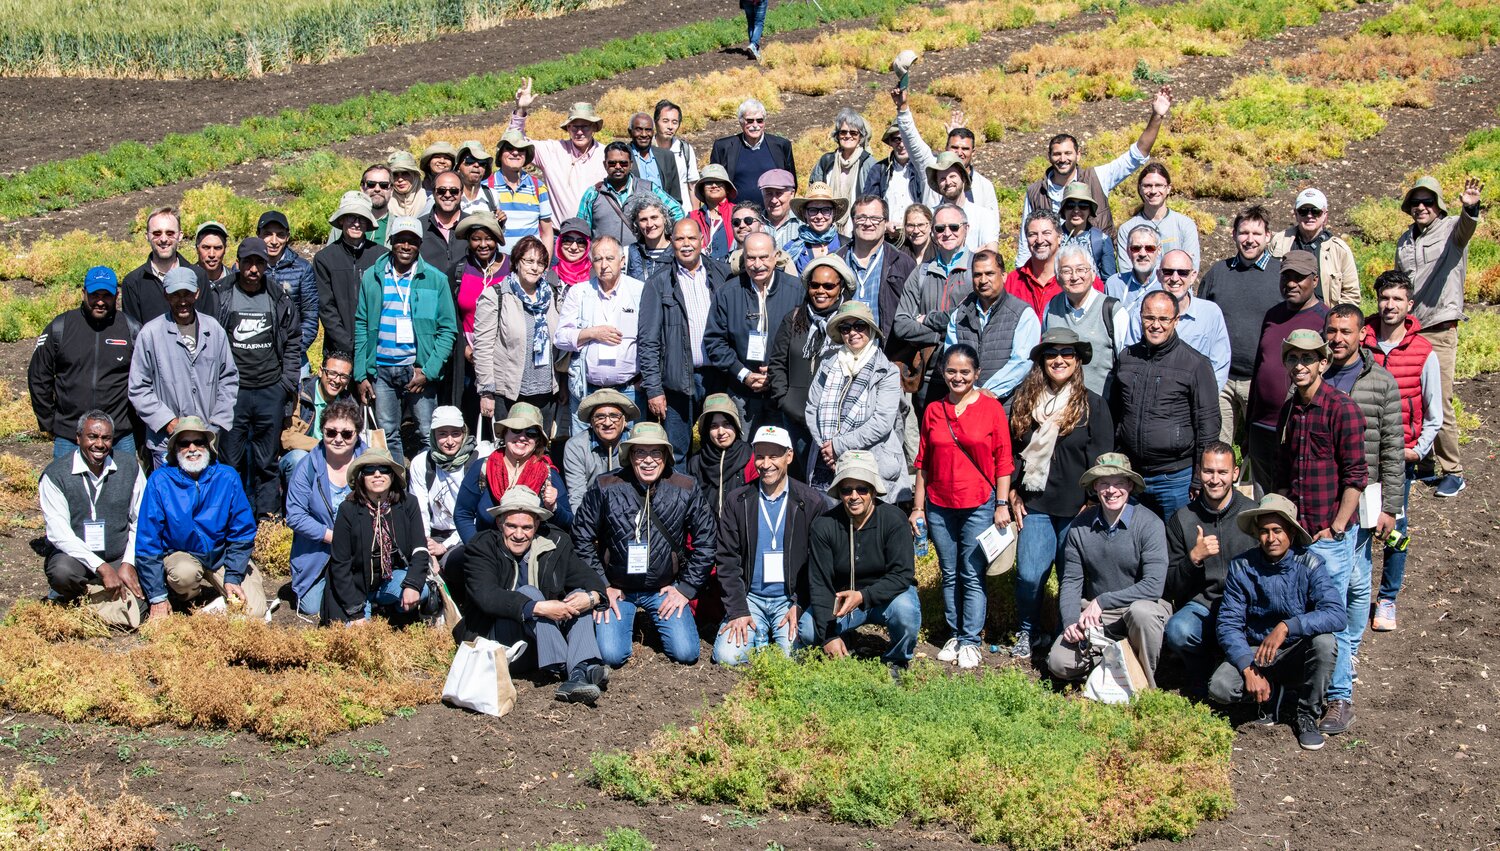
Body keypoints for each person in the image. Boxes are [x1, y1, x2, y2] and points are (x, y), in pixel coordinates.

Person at [1275, 328, 1367, 737]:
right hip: (1299, 533)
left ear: (1323, 363)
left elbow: (1356, 476)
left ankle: (1340, 698)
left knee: (1335, 619)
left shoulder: (1341, 409)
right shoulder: (1289, 409)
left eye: (1308, 358)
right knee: (1304, 615)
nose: (1300, 365)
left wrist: (1337, 526)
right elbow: (1283, 474)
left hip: (1328, 535)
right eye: (1293, 358)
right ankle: (1307, 690)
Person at [1319, 304, 1404, 735]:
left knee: (1357, 579)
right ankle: (1340, 655)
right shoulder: (1315, 375)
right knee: (1338, 580)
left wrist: (1391, 505)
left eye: (1345, 331)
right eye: (1331, 331)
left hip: (1366, 496)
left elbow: (1391, 445)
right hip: (1326, 495)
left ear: (1361, 335)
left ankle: (1348, 650)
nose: (1337, 338)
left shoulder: (1380, 381)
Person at [1007, 328, 1114, 658]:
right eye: (1051, 354)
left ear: (1078, 360)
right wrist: (1011, 491)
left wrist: (1093, 502)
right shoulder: (1025, 402)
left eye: (1067, 354)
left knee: (1071, 577)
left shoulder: (1093, 406)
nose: (1059, 359)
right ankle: (1028, 630)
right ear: (1041, 361)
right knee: (1028, 575)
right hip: (1035, 504)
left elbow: (1103, 458)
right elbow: (1011, 452)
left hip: (1078, 510)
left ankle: (1063, 633)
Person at [575, 422, 716, 667]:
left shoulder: (686, 488)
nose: (648, 460)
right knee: (611, 656)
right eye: (641, 452)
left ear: (666, 456)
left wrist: (685, 588)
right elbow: (581, 537)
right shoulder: (605, 486)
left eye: (656, 453)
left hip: (663, 588)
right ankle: (627, 619)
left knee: (686, 653)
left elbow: (707, 541)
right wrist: (601, 584)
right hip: (618, 588)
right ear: (630, 455)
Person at [1211, 494, 1344, 751]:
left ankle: (1306, 713)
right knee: (1221, 688)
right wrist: (1248, 669)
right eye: (1264, 532)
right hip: (1256, 652)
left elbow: (1336, 613)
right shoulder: (1243, 567)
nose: (1271, 539)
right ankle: (1266, 697)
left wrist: (1287, 626)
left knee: (1325, 642)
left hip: (1295, 651)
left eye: (1277, 531)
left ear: (1291, 534)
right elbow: (1228, 623)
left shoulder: (1310, 563)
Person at [458, 486, 611, 704]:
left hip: (542, 641)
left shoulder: (556, 542)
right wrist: (538, 607)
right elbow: (486, 596)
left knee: (578, 595)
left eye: (526, 527)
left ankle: (576, 675)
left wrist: (591, 598)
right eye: (511, 526)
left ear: (537, 525)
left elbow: (590, 578)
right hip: (502, 643)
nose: (518, 535)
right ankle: (580, 667)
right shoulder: (481, 546)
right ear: (500, 522)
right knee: (529, 592)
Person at [912, 344, 1014, 668]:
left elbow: (1004, 462)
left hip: (978, 504)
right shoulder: (933, 410)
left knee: (971, 573)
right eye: (952, 371)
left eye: (965, 372)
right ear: (943, 373)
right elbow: (922, 463)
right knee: (949, 572)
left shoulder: (991, 409)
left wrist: (1001, 503)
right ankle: (955, 634)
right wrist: (918, 507)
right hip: (940, 504)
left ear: (977, 374)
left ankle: (971, 638)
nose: (958, 377)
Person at [1047, 453, 1172, 687]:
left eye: (1119, 483)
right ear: (1095, 487)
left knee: (1142, 614)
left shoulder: (1150, 524)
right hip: (1099, 616)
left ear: (1130, 486)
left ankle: (1143, 684)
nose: (1111, 490)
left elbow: (1154, 585)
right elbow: (1071, 581)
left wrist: (1104, 600)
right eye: (1104, 483)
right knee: (1058, 663)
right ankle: (1109, 667)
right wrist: (1071, 622)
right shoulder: (1080, 527)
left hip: (1141, 608)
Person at [1362, 270, 1442, 631]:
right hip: (1360, 452)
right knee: (1356, 522)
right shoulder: (1359, 339)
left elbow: (1434, 411)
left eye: (1397, 299)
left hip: (1400, 456)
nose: (1389, 305)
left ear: (1409, 305)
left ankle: (1388, 598)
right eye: (1384, 298)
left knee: (1396, 526)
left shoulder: (1423, 351)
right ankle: (1357, 591)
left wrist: (1418, 450)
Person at [1396, 175, 1483, 498]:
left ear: (1439, 205)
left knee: (1440, 398)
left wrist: (1471, 208)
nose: (1421, 207)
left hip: (1441, 327)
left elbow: (1467, 227)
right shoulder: (1405, 240)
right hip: (1412, 328)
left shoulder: (1450, 230)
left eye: (1428, 201)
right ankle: (1425, 461)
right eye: (1416, 202)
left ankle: (1454, 470)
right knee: (1414, 397)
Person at [712, 425, 828, 665]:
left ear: (789, 456)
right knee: (727, 657)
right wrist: (738, 610)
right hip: (750, 598)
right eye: (760, 456)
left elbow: (818, 562)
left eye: (773, 456)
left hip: (789, 600)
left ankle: (765, 639)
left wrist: (800, 603)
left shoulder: (811, 502)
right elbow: (727, 559)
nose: (766, 464)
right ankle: (760, 636)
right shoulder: (738, 501)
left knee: (791, 658)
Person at [1018, 88, 1173, 263]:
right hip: (1052, 272)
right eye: (1057, 154)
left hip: (1097, 271)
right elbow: (1025, 242)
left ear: (1078, 155)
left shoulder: (1098, 177)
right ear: (1049, 156)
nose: (1063, 159)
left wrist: (1157, 116)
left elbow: (1136, 156)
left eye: (1068, 153)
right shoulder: (1035, 192)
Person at [133, 417, 263, 620]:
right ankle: (185, 599)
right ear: (175, 449)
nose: (192, 448)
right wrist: (156, 596)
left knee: (254, 613)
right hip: (182, 555)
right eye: (184, 443)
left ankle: (216, 602)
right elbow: (148, 541)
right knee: (183, 574)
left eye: (199, 442)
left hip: (222, 555)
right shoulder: (160, 481)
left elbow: (243, 532)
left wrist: (234, 576)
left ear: (209, 446)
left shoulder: (227, 477)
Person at [353, 216, 458, 463]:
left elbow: (448, 330)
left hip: (417, 371)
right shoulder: (373, 276)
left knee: (427, 434)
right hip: (382, 370)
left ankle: (427, 490)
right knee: (388, 434)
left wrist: (429, 372)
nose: (406, 246)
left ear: (420, 244)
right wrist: (361, 374)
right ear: (391, 241)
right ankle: (398, 491)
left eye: (412, 241)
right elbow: (361, 324)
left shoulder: (435, 279)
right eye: (400, 240)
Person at [210, 237, 301, 518]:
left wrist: (285, 384)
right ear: (237, 263)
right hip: (231, 393)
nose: (252, 268)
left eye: (258, 263)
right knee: (229, 460)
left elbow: (293, 341)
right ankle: (232, 517)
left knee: (266, 461)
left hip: (269, 390)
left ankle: (267, 517)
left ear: (265, 265)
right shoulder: (220, 294)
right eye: (247, 262)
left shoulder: (278, 297)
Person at [1110, 290, 1219, 519]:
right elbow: (1116, 413)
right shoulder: (1127, 359)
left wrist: (1199, 478)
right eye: (1149, 318)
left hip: (1175, 478)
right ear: (1140, 317)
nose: (1155, 325)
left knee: (1177, 547)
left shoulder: (1195, 364)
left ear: (1176, 320)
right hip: (1133, 474)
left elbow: (1207, 427)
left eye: (1163, 319)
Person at [808, 450, 920, 669]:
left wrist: (862, 595)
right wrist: (828, 636)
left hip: (888, 597)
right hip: (842, 600)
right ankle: (843, 639)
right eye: (847, 489)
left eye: (862, 489)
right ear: (839, 492)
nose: (854, 496)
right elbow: (819, 582)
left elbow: (903, 574)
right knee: (807, 629)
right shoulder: (823, 525)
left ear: (873, 490)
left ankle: (898, 659)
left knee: (906, 611)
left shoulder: (894, 519)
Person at [38, 411, 148, 628]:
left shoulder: (130, 467)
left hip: (118, 555)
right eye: (92, 437)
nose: (99, 444)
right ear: (78, 438)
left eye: (106, 438)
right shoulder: (55, 475)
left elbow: (140, 519)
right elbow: (60, 534)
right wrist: (101, 567)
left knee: (144, 596)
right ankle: (91, 599)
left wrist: (128, 562)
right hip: (77, 559)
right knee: (62, 572)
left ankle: (85, 605)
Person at [1163, 442, 1255, 690]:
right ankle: (1200, 674)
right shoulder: (1182, 519)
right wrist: (1193, 559)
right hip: (1203, 605)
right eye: (1208, 471)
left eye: (1222, 472)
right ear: (1198, 472)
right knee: (1178, 631)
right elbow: (1170, 588)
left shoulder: (1252, 515)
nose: (1215, 479)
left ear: (1235, 474)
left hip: (1245, 607)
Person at [127, 268, 239, 469]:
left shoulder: (213, 330)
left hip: (206, 440)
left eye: (187, 293)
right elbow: (138, 388)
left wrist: (215, 424)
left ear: (197, 293)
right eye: (175, 295)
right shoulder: (150, 334)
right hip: (166, 442)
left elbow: (228, 379)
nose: (182, 301)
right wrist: (167, 421)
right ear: (166, 295)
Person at [638, 219, 732, 455]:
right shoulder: (658, 283)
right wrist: (654, 389)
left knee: (718, 446)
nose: (686, 244)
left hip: (717, 378)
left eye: (692, 238)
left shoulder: (723, 274)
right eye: (680, 239)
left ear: (703, 240)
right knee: (677, 450)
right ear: (671, 242)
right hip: (677, 379)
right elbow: (648, 341)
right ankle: (681, 492)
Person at [29, 266, 139, 459]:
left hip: (119, 435)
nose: (100, 301)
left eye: (107, 295)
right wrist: (49, 422)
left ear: (117, 296)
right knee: (69, 489)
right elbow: (38, 375)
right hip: (70, 436)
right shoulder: (60, 327)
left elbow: (146, 379)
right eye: (94, 294)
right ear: (83, 293)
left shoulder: (131, 329)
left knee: (123, 489)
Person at [1246, 250, 1330, 496]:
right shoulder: (1273, 314)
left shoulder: (1324, 319)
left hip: (1297, 424)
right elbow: (1260, 365)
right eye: (1286, 277)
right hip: (1262, 425)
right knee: (1264, 496)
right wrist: (1250, 422)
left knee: (1295, 492)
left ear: (1314, 280)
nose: (1291, 283)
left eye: (1299, 277)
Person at [1199, 205, 1283, 447]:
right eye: (1244, 233)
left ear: (1268, 236)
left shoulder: (1280, 274)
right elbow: (1203, 317)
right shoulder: (1219, 272)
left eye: (1256, 234)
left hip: (1261, 378)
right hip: (1222, 377)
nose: (1250, 240)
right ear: (1234, 234)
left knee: (1262, 448)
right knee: (1218, 447)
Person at [805, 303, 908, 499]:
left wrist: (839, 446)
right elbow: (812, 408)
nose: (853, 333)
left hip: (870, 461)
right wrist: (827, 449)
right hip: (825, 462)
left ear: (870, 329)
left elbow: (882, 422)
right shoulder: (827, 364)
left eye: (859, 326)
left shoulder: (887, 371)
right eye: (846, 328)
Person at [325, 449, 435, 623]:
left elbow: (420, 549)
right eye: (369, 470)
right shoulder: (348, 509)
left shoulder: (408, 503)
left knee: (422, 590)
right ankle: (364, 611)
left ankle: (394, 612)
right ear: (361, 476)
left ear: (392, 475)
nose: (377, 474)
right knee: (356, 643)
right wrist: (355, 612)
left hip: (390, 580)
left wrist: (413, 584)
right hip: (355, 586)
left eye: (383, 469)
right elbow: (340, 563)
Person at [706, 231, 803, 428]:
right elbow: (714, 342)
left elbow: (806, 341)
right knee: (746, 454)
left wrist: (780, 371)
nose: (757, 264)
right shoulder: (728, 293)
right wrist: (744, 374)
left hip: (784, 392)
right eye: (751, 258)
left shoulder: (797, 290)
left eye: (763, 257)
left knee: (783, 454)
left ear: (775, 257)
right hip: (742, 393)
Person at [284, 398, 367, 618]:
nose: (338, 439)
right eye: (331, 432)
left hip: (360, 549)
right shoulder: (307, 466)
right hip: (320, 551)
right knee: (311, 607)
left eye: (347, 434)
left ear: (357, 434)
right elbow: (295, 515)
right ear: (322, 432)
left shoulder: (370, 465)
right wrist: (333, 536)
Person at [473, 234, 562, 431]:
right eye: (529, 261)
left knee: (539, 450)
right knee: (510, 448)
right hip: (509, 392)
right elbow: (483, 348)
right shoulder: (496, 295)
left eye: (540, 263)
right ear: (516, 262)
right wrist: (486, 392)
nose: (534, 267)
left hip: (546, 391)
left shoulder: (552, 295)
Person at [768, 256, 851, 465]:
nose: (820, 291)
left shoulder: (849, 323)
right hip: (795, 417)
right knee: (799, 480)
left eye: (829, 285)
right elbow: (777, 362)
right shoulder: (795, 318)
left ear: (840, 288)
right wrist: (784, 399)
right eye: (815, 285)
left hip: (835, 422)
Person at [555, 237, 646, 427]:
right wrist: (592, 333)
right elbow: (560, 337)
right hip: (587, 391)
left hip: (629, 391)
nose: (604, 265)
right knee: (583, 451)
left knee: (629, 452)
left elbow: (652, 339)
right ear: (591, 263)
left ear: (622, 262)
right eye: (598, 259)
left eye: (610, 258)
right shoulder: (578, 292)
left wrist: (644, 379)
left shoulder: (640, 291)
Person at [454, 402, 571, 541]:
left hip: (532, 556)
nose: (522, 437)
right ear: (505, 432)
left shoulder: (548, 474)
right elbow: (462, 514)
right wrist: (477, 548)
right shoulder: (482, 468)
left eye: (531, 433)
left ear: (538, 440)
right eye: (516, 430)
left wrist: (553, 508)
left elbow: (568, 523)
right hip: (488, 553)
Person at [891, 204, 973, 402]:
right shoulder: (921, 272)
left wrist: (926, 320)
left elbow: (972, 316)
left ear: (966, 229)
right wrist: (938, 335)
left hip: (969, 376)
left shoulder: (978, 269)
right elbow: (901, 324)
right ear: (933, 232)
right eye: (940, 228)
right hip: (928, 377)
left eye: (954, 227)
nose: (947, 233)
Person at [1122, 249, 1230, 390]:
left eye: (1182, 272)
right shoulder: (1140, 314)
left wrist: (1205, 398)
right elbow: (1131, 361)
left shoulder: (1210, 313)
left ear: (1193, 276)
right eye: (1168, 272)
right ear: (1159, 275)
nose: (1174, 278)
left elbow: (1219, 364)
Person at [942, 249, 1040, 402]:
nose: (983, 280)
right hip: (965, 404)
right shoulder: (959, 315)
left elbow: (1022, 362)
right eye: (977, 274)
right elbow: (950, 359)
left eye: (989, 273)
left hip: (1006, 407)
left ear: (1003, 276)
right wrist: (971, 392)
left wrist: (986, 393)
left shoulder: (1022, 314)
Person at [508, 84, 606, 225]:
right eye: (574, 127)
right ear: (568, 128)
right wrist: (521, 110)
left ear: (594, 128)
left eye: (585, 126)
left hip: (595, 235)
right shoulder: (553, 151)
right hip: (559, 236)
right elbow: (515, 142)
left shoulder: (606, 155)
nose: (579, 132)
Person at [408, 405, 491, 570]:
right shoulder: (422, 463)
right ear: (433, 435)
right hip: (434, 533)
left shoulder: (479, 461)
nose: (450, 441)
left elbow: (478, 513)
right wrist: (426, 545)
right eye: (442, 434)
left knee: (459, 563)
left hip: (468, 532)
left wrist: (445, 546)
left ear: (464, 433)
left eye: (455, 433)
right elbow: (419, 509)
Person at [446, 211, 510, 409]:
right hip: (469, 353)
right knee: (472, 409)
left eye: (489, 239)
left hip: (505, 353)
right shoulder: (458, 271)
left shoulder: (511, 267)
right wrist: (465, 348)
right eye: (476, 239)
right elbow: (451, 315)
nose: (483, 245)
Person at [1044, 244, 1124, 396]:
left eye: (1081, 269)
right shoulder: (1052, 308)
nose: (1074, 277)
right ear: (1058, 277)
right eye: (1066, 271)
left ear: (1093, 274)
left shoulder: (1112, 310)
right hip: (1059, 405)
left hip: (1101, 407)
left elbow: (1125, 364)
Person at [315, 192, 385, 359]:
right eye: (351, 217)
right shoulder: (325, 258)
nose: (356, 223)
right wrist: (346, 344)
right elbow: (326, 307)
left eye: (361, 218)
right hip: (337, 350)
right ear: (341, 220)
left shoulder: (381, 256)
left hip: (376, 347)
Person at [837, 195, 914, 342]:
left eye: (875, 218)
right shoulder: (837, 260)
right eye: (861, 217)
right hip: (842, 351)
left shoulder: (903, 264)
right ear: (853, 221)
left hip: (886, 353)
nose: (868, 223)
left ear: (885, 222)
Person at [578, 142, 684, 249]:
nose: (618, 167)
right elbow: (582, 231)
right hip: (605, 261)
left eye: (623, 163)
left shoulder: (648, 188)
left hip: (641, 260)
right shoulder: (593, 194)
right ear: (605, 165)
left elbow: (677, 211)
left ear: (631, 164)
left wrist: (667, 238)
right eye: (612, 163)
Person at [1265, 187, 1359, 307]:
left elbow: (1352, 295)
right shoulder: (1279, 241)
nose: (1309, 216)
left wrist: (1332, 319)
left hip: (1324, 320)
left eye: (1315, 211)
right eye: (1303, 211)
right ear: (1296, 214)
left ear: (1325, 215)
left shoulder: (1339, 250)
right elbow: (1266, 280)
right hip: (1285, 317)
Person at [121, 207, 215, 325]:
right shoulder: (133, 282)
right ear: (147, 236)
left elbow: (208, 325)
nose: (164, 239)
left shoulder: (198, 276)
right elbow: (133, 333)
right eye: (157, 233)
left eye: (170, 233)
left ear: (180, 235)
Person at [257, 211, 320, 373]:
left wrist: (293, 351)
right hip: (258, 356)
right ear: (258, 235)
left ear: (287, 237)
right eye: (267, 234)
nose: (273, 241)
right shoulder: (249, 268)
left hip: (294, 357)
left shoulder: (302, 269)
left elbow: (310, 317)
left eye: (280, 235)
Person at [281, 350, 356, 479]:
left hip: (336, 458)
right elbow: (287, 437)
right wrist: (326, 445)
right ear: (321, 371)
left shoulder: (349, 403)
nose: (337, 380)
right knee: (298, 458)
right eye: (332, 373)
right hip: (304, 454)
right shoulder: (300, 395)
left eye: (343, 376)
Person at [1112, 164, 1200, 272]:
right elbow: (1126, 271)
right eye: (1147, 185)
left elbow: (1190, 268)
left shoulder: (1185, 225)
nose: (1153, 191)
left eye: (1159, 185)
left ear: (1168, 188)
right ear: (1140, 189)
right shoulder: (1127, 229)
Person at [710, 99, 795, 208]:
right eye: (750, 121)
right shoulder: (723, 147)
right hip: (736, 216)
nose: (755, 125)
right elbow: (714, 184)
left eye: (759, 120)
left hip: (772, 213)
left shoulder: (781, 145)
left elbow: (791, 183)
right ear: (741, 122)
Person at [563, 389, 637, 515]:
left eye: (614, 416)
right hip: (593, 513)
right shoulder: (576, 446)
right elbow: (577, 495)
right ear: (591, 422)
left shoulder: (636, 443)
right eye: (600, 417)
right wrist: (584, 527)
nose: (607, 423)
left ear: (625, 421)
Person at [684, 393, 757, 515]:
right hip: (706, 531)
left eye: (727, 424)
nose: (721, 432)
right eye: (714, 426)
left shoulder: (750, 456)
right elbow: (692, 508)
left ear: (735, 425)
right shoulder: (696, 462)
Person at [810, 109, 876, 237]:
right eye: (843, 132)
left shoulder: (869, 163)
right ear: (837, 135)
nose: (848, 136)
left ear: (861, 136)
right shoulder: (826, 161)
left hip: (858, 228)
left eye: (853, 132)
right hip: (827, 229)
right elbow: (814, 191)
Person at [487, 130, 553, 251]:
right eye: (509, 148)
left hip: (530, 265)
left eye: (521, 149)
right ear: (500, 154)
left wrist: (545, 265)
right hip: (497, 265)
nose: (515, 152)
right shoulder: (486, 187)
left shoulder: (538, 187)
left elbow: (547, 231)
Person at [862, 119, 933, 231]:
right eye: (897, 139)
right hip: (887, 237)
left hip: (917, 235)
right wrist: (884, 225)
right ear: (890, 142)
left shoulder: (922, 169)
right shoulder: (879, 169)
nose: (902, 144)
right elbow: (868, 205)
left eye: (906, 139)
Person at [924, 152, 1000, 253]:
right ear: (937, 183)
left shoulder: (983, 216)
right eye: (942, 178)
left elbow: (991, 252)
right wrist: (974, 254)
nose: (948, 182)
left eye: (952, 176)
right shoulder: (930, 216)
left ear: (963, 178)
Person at [1006, 212, 1066, 318]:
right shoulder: (1012, 281)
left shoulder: (1077, 278)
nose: (1040, 240)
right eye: (1033, 234)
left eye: (1046, 233)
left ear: (1059, 237)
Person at [1056, 182, 1116, 281]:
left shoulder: (1102, 240)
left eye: (1083, 205)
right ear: (1064, 209)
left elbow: (1109, 280)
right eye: (1070, 205)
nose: (1076, 210)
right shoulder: (1053, 238)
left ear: (1090, 210)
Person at [785, 183, 846, 272]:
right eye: (813, 210)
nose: (819, 216)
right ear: (805, 214)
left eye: (825, 210)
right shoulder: (791, 248)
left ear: (833, 213)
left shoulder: (846, 245)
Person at [627, 111, 683, 207]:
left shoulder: (666, 156)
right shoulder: (623, 155)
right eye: (639, 129)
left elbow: (675, 197)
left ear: (653, 132)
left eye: (648, 130)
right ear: (630, 132)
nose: (644, 134)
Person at [1104, 224, 1162, 314]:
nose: (1142, 254)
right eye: (1136, 248)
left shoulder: (1167, 284)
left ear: (1159, 250)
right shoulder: (1114, 285)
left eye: (1149, 248)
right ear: (1128, 251)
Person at [653, 99, 699, 208]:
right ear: (655, 121)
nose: (670, 126)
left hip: (682, 212)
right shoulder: (647, 150)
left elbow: (692, 185)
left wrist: (696, 215)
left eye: (674, 122)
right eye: (665, 121)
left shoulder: (685, 150)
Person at [419, 171, 468, 273]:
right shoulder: (419, 227)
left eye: (454, 191)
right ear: (433, 192)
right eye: (441, 190)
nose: (447, 195)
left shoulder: (472, 226)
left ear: (461, 193)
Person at [688, 164, 737, 259]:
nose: (714, 185)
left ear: (727, 188)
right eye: (709, 183)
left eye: (719, 182)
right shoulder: (693, 217)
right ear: (702, 190)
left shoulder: (738, 212)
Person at [625, 196, 677, 282]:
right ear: (636, 224)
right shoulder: (628, 253)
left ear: (664, 218)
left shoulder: (677, 251)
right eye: (643, 220)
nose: (649, 224)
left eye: (654, 217)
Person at [351, 163, 394, 245]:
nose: (377, 189)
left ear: (391, 190)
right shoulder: (345, 225)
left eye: (383, 185)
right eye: (371, 184)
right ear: (362, 188)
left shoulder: (399, 228)